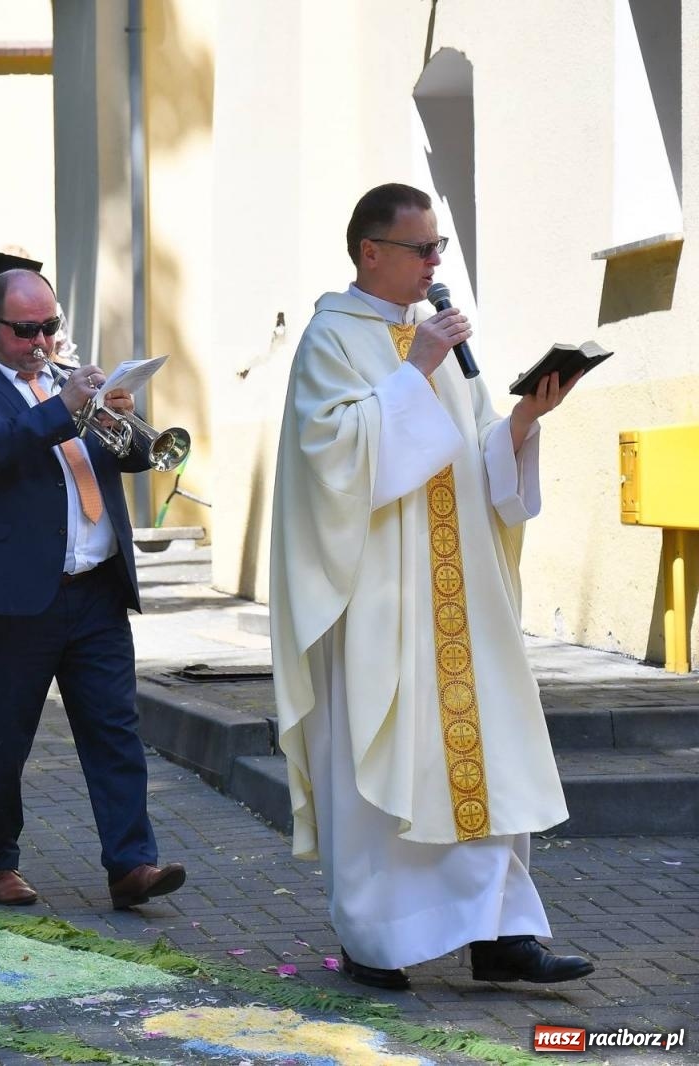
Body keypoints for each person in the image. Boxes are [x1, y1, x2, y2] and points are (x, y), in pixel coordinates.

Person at [268, 182, 593, 989]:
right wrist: (413, 373)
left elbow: (472, 448)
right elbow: (330, 460)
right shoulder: (331, 339)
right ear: (371, 252)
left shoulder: (432, 339)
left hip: (460, 596)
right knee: (387, 763)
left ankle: (502, 933)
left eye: (440, 248)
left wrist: (518, 424)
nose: (435, 264)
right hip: (381, 596)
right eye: (423, 249)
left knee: (483, 754)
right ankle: (376, 937)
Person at [0, 268, 186, 910]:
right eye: (26, 330)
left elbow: (129, 458)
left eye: (50, 326)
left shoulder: (71, 385)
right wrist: (64, 407)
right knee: (2, 736)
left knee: (115, 731)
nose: (41, 341)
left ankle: (132, 864)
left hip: (94, 589)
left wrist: (122, 416)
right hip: (13, 598)